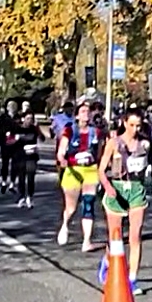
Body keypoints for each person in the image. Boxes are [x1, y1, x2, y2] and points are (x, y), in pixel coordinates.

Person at [97, 107, 152, 295]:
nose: (135, 129)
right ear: (124, 122)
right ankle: (106, 262)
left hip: (136, 190)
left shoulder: (144, 144)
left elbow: (145, 168)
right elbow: (101, 170)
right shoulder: (114, 143)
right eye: (131, 125)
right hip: (117, 190)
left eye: (138, 125)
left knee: (135, 236)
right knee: (116, 237)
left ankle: (132, 279)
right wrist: (108, 187)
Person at [56, 101, 105, 250]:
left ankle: (87, 241)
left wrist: (101, 168)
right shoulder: (69, 131)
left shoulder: (96, 132)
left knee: (88, 203)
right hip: (73, 170)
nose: (86, 114)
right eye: (83, 111)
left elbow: (99, 152)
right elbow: (61, 151)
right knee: (71, 207)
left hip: (90, 170)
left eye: (88, 111)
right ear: (77, 115)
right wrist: (62, 160)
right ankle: (65, 225)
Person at [6, 110, 40, 209]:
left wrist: (38, 129)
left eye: (31, 119)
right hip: (20, 156)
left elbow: (41, 138)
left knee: (31, 177)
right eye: (28, 118)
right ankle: (21, 197)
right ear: (23, 119)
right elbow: (8, 142)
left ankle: (29, 196)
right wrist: (15, 139)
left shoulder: (34, 129)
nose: (30, 121)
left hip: (31, 156)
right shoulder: (16, 129)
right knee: (21, 178)